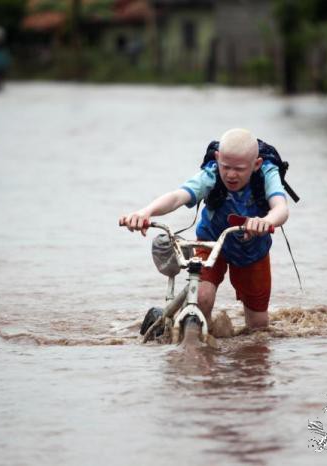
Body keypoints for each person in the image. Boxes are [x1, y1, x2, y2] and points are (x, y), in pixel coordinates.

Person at [119, 128, 289, 331]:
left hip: (252, 251)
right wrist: (145, 212)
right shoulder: (212, 173)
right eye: (226, 167)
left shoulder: (267, 172)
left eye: (240, 169)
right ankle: (201, 347)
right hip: (211, 243)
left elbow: (281, 208)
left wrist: (265, 221)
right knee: (201, 298)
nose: (231, 175)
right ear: (218, 158)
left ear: (256, 164)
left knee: (259, 327)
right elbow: (177, 197)